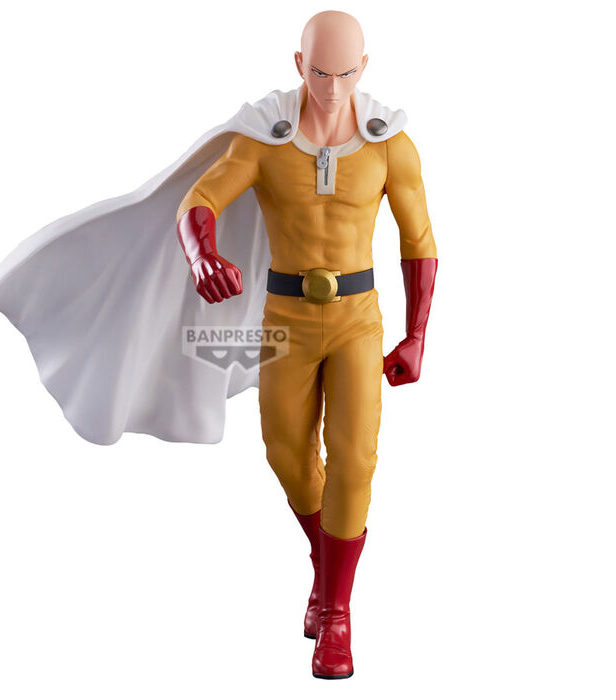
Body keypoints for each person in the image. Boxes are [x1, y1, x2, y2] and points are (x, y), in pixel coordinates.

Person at [176, 10, 437, 680]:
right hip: (286, 317)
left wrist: (416, 334)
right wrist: (201, 254)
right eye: (320, 73)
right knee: (287, 454)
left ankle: (338, 613)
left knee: (355, 460)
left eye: (346, 74)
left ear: (364, 69)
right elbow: (201, 197)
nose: (332, 88)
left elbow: (419, 241)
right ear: (299, 65)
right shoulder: (268, 137)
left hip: (357, 320)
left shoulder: (389, 143)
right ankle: (326, 567)